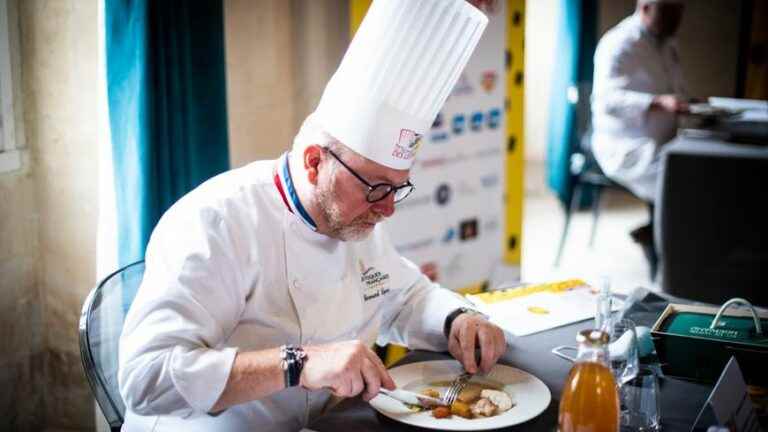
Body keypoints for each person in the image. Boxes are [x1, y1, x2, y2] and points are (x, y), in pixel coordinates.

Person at [118, 1, 506, 431]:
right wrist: (297, 363)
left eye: (398, 187)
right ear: (314, 162)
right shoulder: (217, 222)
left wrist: (458, 319)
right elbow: (144, 378)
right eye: (375, 187)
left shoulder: (357, 218)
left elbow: (406, 297)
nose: (388, 207)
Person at [590, 0, 687, 276]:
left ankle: (656, 234)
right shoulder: (617, 43)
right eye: (670, 14)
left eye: (680, 12)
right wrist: (656, 102)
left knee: (696, 168)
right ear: (645, 8)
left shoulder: (668, 43)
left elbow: (675, 87)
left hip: (663, 141)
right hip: (626, 145)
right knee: (680, 182)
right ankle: (662, 257)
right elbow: (605, 100)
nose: (677, 21)